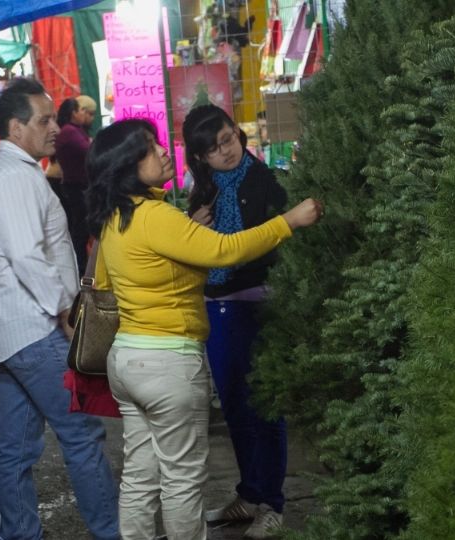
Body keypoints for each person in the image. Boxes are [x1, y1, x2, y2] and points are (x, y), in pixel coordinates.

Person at [85, 118, 323, 540]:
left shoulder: (113, 218)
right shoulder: (156, 216)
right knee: (181, 478)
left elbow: (105, 284)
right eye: (148, 149)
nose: (162, 151)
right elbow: (225, 250)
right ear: (126, 167)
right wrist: (289, 221)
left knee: (140, 475)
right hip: (167, 362)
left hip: (126, 360)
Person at [0, 77, 120, 540]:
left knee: (14, 452)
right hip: (35, 330)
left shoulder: (14, 171)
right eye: (45, 120)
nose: (56, 127)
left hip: (12, 335)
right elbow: (26, 256)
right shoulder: (13, 176)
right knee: (82, 438)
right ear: (16, 128)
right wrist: (64, 313)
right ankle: (110, 532)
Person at [183, 104, 289, 538]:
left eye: (228, 139)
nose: (225, 151)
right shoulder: (202, 189)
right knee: (235, 407)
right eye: (213, 148)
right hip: (216, 307)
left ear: (238, 133)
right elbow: (194, 249)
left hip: (257, 303)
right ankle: (249, 494)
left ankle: (273, 503)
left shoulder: (265, 181)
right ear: (200, 157)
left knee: (267, 404)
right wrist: (193, 226)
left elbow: (277, 241)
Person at [55, 95, 97, 276]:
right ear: (73, 113)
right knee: (80, 229)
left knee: (81, 228)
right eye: (82, 111)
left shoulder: (74, 130)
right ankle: (80, 268)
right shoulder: (69, 132)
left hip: (78, 184)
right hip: (75, 186)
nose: (86, 115)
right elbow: (88, 151)